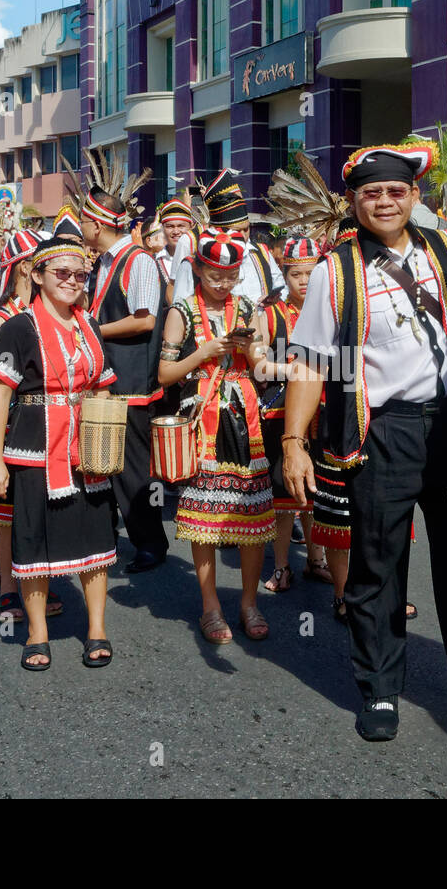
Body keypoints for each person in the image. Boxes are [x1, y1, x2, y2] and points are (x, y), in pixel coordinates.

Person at [283, 142, 447, 742]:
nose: (385, 200)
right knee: (378, 563)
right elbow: (312, 360)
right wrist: (294, 440)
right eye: (371, 192)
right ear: (354, 202)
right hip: (384, 430)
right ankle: (379, 690)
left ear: (414, 196)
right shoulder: (334, 271)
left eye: (396, 190)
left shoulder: (445, 251)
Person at [0, 239, 119, 671]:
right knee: (33, 541)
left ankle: (97, 629)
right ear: (36, 275)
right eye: (61, 273)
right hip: (33, 449)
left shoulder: (90, 325)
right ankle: (37, 634)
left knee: (96, 536)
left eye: (80, 275)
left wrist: (106, 434)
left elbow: (104, 386)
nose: (72, 282)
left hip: (87, 447)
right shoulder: (17, 328)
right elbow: (0, 396)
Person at [159, 230, 276, 643]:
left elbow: (260, 368)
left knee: (254, 515)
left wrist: (289, 366)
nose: (223, 283)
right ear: (198, 269)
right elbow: (165, 375)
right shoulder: (182, 311)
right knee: (202, 519)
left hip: (246, 419)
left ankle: (248, 602)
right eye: (215, 275)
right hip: (203, 415)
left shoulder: (248, 308)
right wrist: (205, 352)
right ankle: (210, 605)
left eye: (230, 275)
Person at [81, 189, 171, 573]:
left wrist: (91, 329)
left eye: (83, 221)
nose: (81, 227)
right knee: (105, 462)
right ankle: (110, 536)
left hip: (132, 381)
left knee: (136, 468)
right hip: (107, 378)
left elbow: (145, 319)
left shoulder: (139, 261)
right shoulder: (103, 262)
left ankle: (152, 542)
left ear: (97, 225)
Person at [253, 236, 341, 605]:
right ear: (284, 275)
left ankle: (317, 559)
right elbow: (257, 364)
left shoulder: (333, 309)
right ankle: (282, 564)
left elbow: (346, 361)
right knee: (285, 493)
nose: (303, 281)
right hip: (282, 414)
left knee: (318, 492)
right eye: (295, 274)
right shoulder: (270, 313)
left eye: (310, 274)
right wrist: (294, 369)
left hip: (325, 413)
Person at [0, 228, 57, 624]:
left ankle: (38, 581)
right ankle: (11, 588)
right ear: (28, 268)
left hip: (48, 427)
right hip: (12, 426)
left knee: (40, 509)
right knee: (10, 514)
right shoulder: (4, 316)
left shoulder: (50, 314)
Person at [170, 172, 285, 305]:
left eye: (246, 229)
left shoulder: (261, 252)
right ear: (216, 228)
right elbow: (178, 303)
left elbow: (281, 286)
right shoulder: (190, 248)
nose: (242, 236)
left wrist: (275, 299)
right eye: (236, 230)